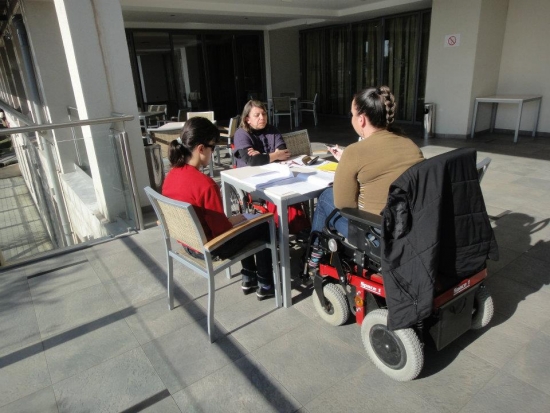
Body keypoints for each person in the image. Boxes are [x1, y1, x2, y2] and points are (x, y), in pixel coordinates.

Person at [161, 117, 276, 300]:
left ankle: (249, 278)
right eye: (212, 147)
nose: (214, 152)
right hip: (210, 248)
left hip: (187, 242)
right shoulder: (205, 185)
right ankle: (265, 284)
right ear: (201, 149)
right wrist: (242, 218)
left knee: (246, 220)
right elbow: (223, 230)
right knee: (264, 224)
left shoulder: (171, 175)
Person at [309, 86, 424, 266]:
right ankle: (315, 252)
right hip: (409, 226)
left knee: (325, 197)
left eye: (352, 115)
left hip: (376, 235)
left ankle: (314, 254)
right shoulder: (409, 144)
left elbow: (344, 205)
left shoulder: (354, 152)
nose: (352, 119)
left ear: (361, 119)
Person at [233, 100, 291, 167]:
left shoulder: (272, 130)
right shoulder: (241, 134)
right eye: (257, 115)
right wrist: (277, 155)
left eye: (264, 114)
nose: (262, 118)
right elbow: (252, 160)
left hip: (273, 171)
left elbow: (284, 153)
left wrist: (261, 156)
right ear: (247, 119)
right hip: (249, 174)